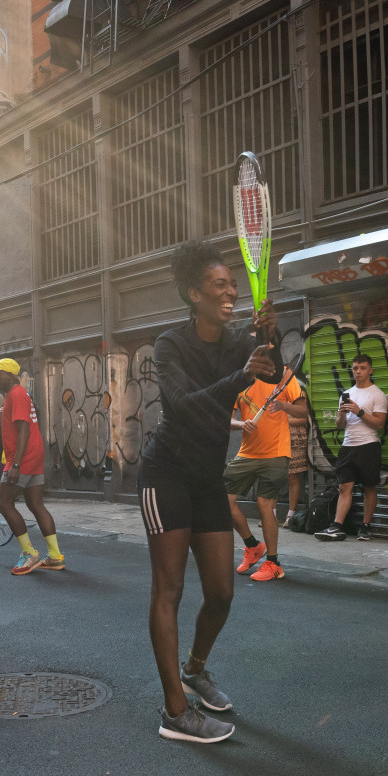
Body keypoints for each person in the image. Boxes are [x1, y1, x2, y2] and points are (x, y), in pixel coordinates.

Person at [141, 240, 281, 744]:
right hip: (165, 475)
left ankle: (195, 669)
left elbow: (277, 375)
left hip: (205, 478)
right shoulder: (169, 344)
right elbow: (182, 405)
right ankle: (174, 712)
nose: (230, 291)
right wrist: (242, 373)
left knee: (221, 591)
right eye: (219, 285)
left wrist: (270, 338)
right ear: (192, 293)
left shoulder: (236, 342)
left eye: (232, 285)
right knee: (170, 589)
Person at [0, 357, 66, 575]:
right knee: (35, 503)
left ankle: (29, 552)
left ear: (11, 375)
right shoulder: (18, 395)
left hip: (23, 458)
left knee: (3, 502)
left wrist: (16, 465)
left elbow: (24, 431)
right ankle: (56, 556)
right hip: (34, 455)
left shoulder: (16, 394)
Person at [224, 373, 306, 582]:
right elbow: (227, 418)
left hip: (276, 452)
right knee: (222, 499)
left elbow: (303, 411)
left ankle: (273, 563)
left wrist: (283, 406)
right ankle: (252, 545)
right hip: (246, 452)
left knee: (265, 504)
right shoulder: (239, 378)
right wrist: (242, 425)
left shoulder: (286, 375)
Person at [315, 353, 388, 542]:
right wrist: (341, 413)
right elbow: (340, 425)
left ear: (370, 370)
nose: (358, 371)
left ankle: (365, 526)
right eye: (355, 368)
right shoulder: (347, 394)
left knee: (369, 487)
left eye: (362, 368)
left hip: (368, 445)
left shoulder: (377, 394)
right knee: (343, 486)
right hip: (348, 445)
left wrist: (359, 411)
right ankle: (337, 526)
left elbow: (379, 424)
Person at [283, 395, 310, 530]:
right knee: (273, 475)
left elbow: (304, 419)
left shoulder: (298, 394)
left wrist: (285, 421)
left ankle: (290, 515)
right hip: (278, 437)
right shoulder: (273, 392)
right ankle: (271, 513)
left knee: (293, 476)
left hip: (296, 439)